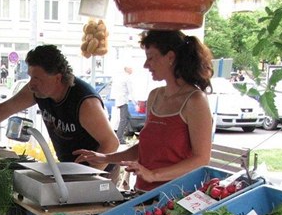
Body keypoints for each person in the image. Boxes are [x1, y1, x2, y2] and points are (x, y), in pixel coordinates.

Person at [74, 30, 214, 192]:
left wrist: (154, 175)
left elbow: (201, 159)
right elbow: (146, 148)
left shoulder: (195, 100)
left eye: (151, 58)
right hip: (143, 192)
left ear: (170, 57)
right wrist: (106, 157)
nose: (146, 65)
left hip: (175, 197)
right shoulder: (155, 96)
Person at [0, 44, 119, 172]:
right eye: (30, 77)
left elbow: (111, 143)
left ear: (57, 78)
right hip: (70, 169)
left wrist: (90, 177)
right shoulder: (38, 91)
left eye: (37, 78)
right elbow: (4, 109)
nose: (31, 84)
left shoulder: (84, 103)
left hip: (100, 171)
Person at [111, 64, 134, 145]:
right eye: (131, 68)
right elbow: (130, 91)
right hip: (123, 101)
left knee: (127, 118)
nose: (132, 69)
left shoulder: (121, 77)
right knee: (124, 120)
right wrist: (135, 102)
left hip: (120, 101)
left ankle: (121, 137)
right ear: (127, 69)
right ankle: (119, 138)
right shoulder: (127, 78)